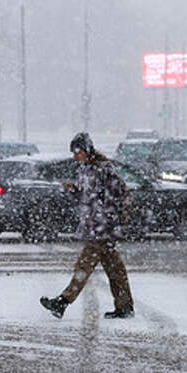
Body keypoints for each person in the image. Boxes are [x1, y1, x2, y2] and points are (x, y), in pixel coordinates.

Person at [40, 132, 135, 319]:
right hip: (94, 226)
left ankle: (62, 302)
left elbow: (115, 197)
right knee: (115, 270)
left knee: (84, 266)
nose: (75, 156)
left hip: (101, 228)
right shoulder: (84, 169)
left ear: (87, 151)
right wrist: (74, 190)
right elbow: (87, 197)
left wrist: (105, 220)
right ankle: (125, 306)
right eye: (73, 152)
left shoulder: (104, 170)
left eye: (78, 152)